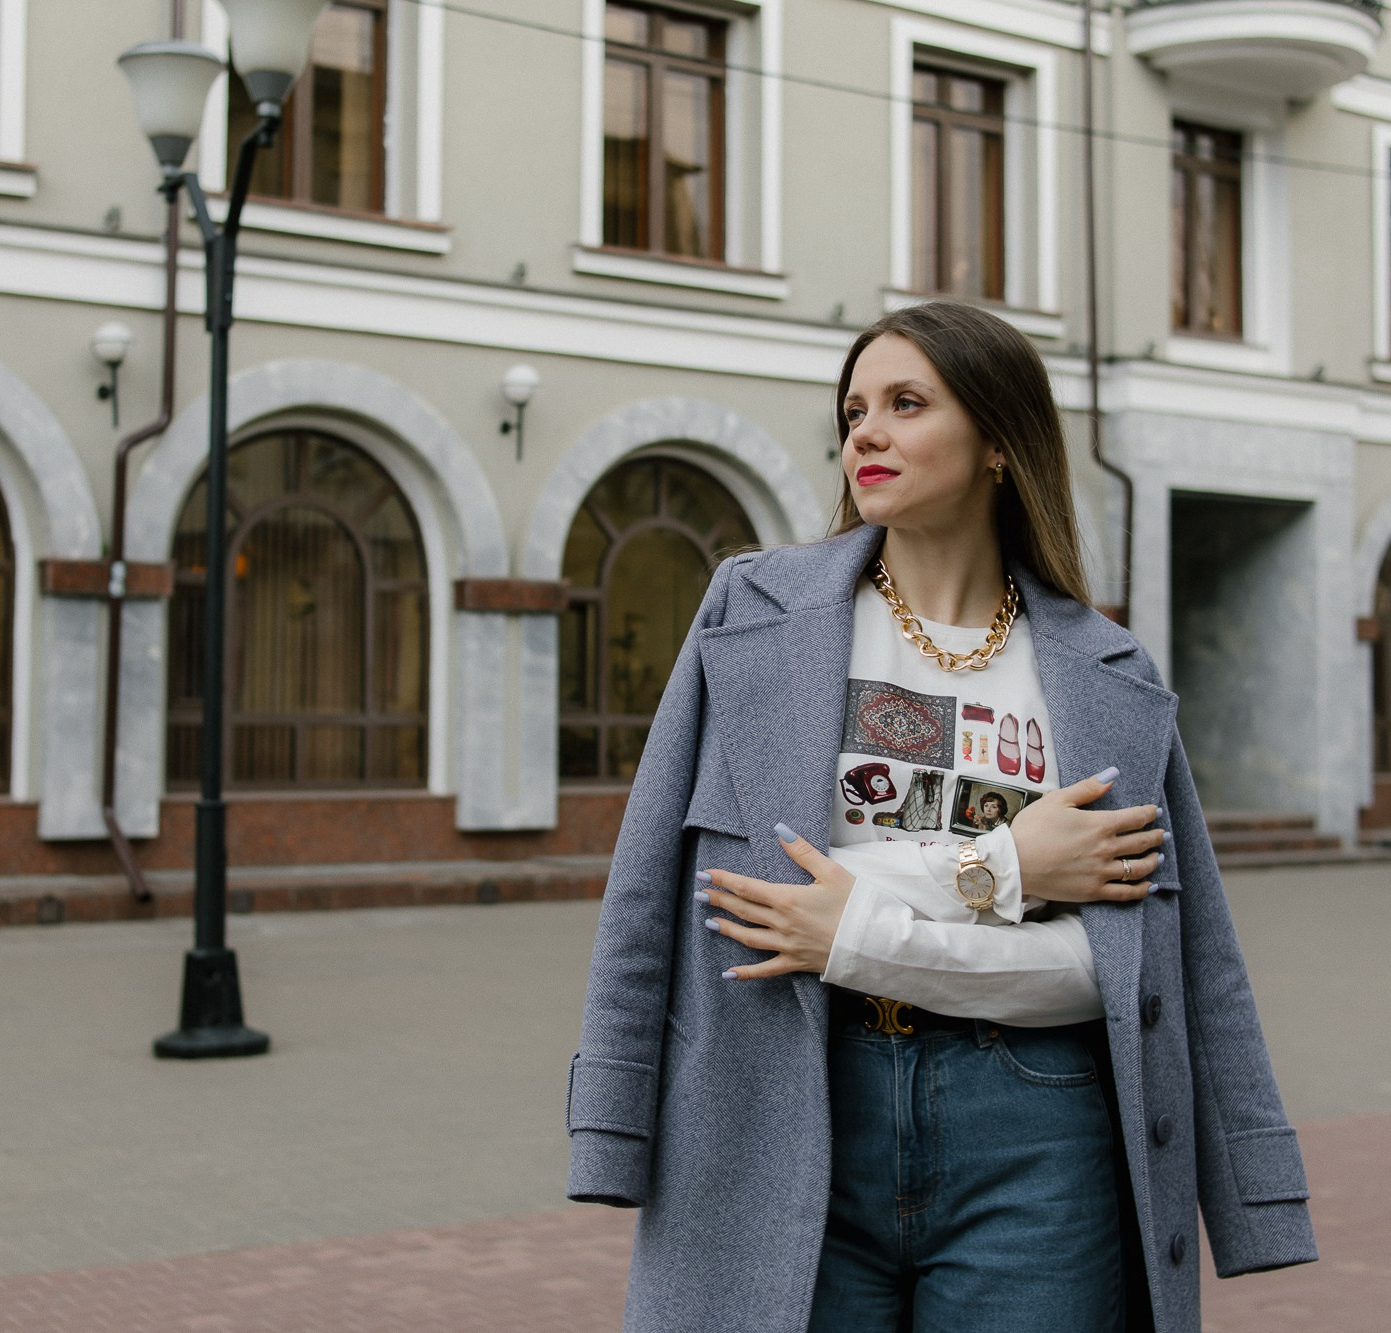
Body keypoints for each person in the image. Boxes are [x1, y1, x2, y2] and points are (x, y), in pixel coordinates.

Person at [563, 300, 1315, 1333]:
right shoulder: (753, 612)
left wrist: (856, 933)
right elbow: (671, 886)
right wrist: (1002, 869)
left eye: (904, 403)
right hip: (785, 1096)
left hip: (1036, 1133)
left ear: (998, 442)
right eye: (852, 408)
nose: (861, 432)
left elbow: (1145, 964)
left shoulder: (1103, 670)